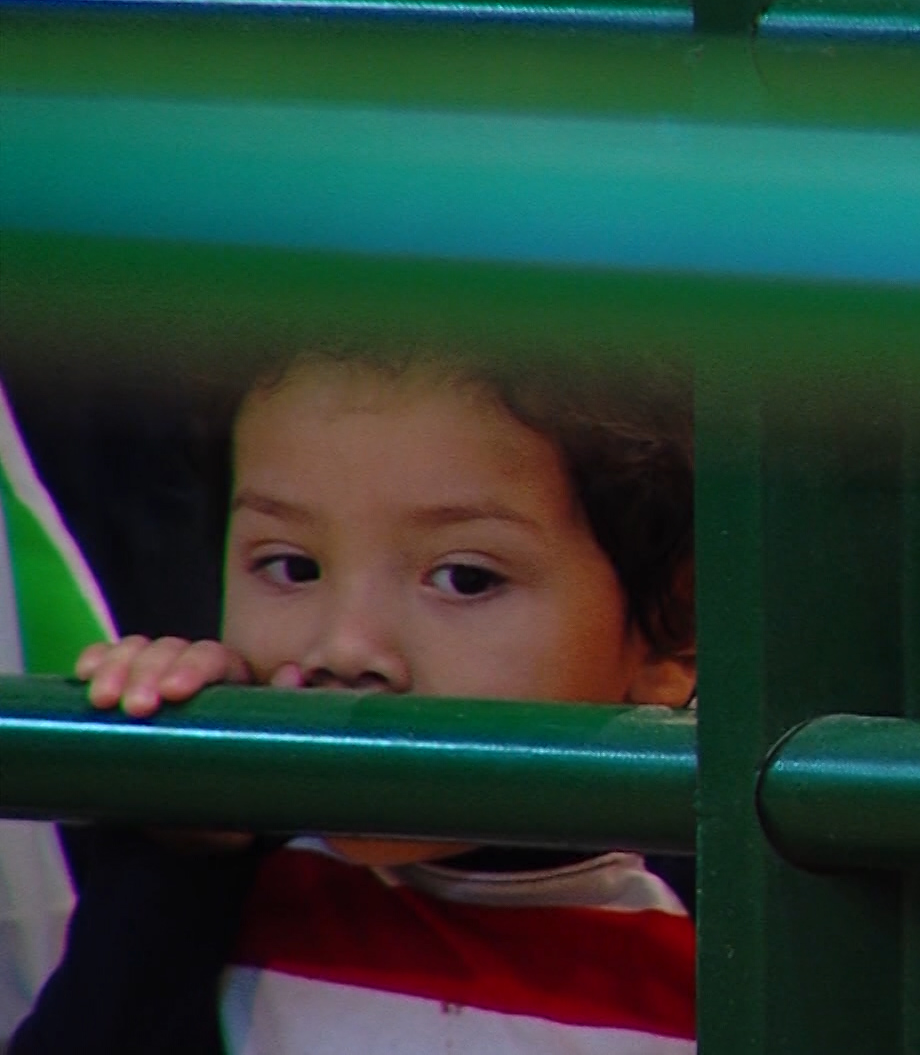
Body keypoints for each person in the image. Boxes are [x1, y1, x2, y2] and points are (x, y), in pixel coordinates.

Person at [13, 341, 697, 1055]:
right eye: (292, 565)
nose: (344, 647)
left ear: (672, 634)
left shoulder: (730, 965)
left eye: (464, 578)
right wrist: (173, 843)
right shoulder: (213, 897)